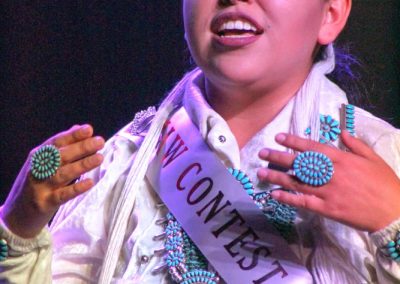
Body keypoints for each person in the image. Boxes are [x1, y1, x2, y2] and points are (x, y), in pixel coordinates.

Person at [1, 0, 399, 283]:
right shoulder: (129, 159)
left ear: (330, 14)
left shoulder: (382, 157)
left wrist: (392, 221)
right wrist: (18, 228)